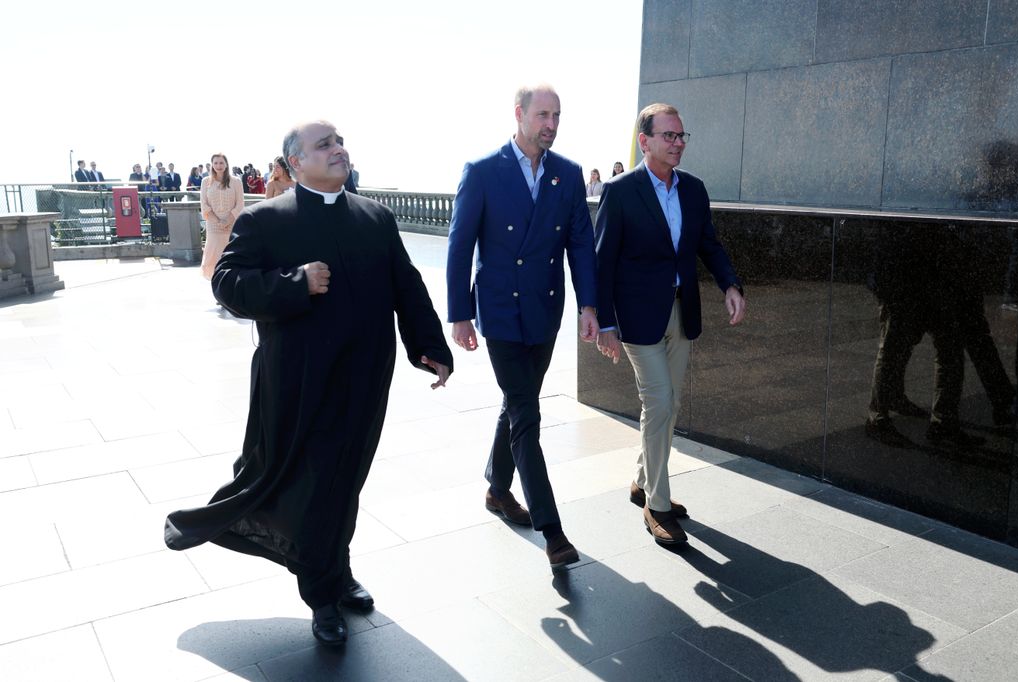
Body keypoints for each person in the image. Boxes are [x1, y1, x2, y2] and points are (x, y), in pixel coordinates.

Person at [164, 120, 453, 648]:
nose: (338, 149)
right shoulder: (264, 221)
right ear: (295, 163)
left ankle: (335, 571)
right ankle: (322, 592)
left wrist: (429, 345)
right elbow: (227, 282)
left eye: (339, 141)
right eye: (324, 145)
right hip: (297, 382)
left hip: (364, 378)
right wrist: (294, 283)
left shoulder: (375, 218)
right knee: (315, 481)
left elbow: (406, 285)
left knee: (346, 479)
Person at [446, 84, 598, 570]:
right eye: (542, 115)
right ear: (519, 114)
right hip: (501, 312)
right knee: (526, 416)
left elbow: (581, 246)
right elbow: (459, 244)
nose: (550, 124)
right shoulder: (484, 171)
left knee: (517, 403)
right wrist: (459, 312)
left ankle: (496, 487)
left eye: (557, 115)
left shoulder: (568, 175)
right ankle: (552, 531)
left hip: (545, 310)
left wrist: (589, 306)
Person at [595, 103, 745, 546]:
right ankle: (657, 505)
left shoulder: (694, 190)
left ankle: (643, 477)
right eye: (670, 136)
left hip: (683, 312)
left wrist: (730, 285)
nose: (678, 143)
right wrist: (605, 323)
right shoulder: (621, 192)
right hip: (638, 318)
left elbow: (709, 246)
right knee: (659, 402)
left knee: (670, 402)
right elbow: (602, 263)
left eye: (682, 136)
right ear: (645, 141)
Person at [198, 153, 245, 280]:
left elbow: (240, 204)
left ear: (226, 164)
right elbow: (204, 204)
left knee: (231, 255)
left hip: (232, 225)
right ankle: (217, 286)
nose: (218, 166)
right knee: (213, 257)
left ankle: (231, 286)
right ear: (212, 165)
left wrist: (227, 220)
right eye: (216, 163)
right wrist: (218, 221)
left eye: (221, 163)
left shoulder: (236, 182)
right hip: (213, 226)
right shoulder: (205, 182)